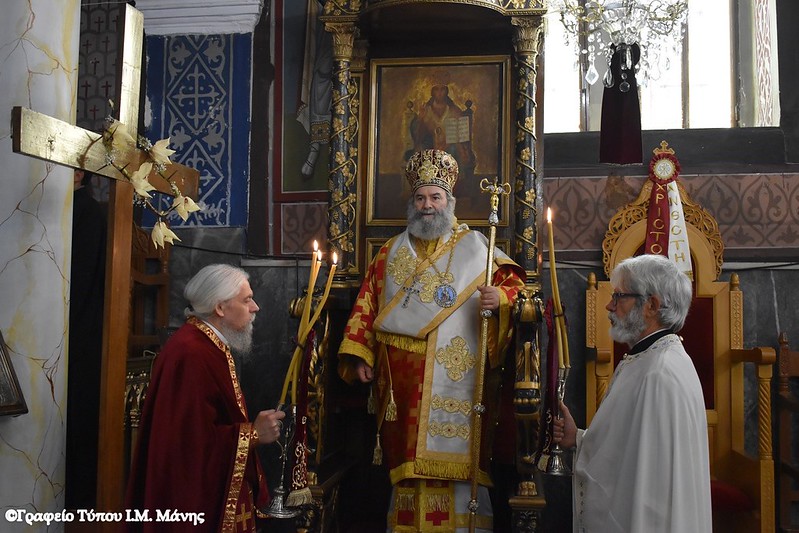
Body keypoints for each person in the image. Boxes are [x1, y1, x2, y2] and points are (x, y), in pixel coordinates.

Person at [338, 149, 526, 532]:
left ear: (449, 201)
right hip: (403, 385)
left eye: (435, 197)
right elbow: (367, 304)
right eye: (421, 197)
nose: (427, 205)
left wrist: (502, 299)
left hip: (460, 378)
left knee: (459, 468)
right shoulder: (390, 253)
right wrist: (361, 355)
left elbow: (517, 290)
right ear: (413, 202)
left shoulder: (477, 247)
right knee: (409, 468)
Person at [552, 254, 712, 533]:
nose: (609, 305)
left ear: (652, 305)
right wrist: (576, 438)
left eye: (619, 296)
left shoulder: (660, 372)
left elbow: (652, 481)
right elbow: (630, 447)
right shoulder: (646, 359)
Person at [125, 264, 286, 532]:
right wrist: (253, 434)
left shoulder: (204, 344)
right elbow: (188, 447)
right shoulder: (192, 353)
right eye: (247, 299)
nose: (255, 307)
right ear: (220, 307)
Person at [66, 168, 106, 509]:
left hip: (79, 328)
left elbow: (78, 280)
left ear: (79, 173)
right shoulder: (69, 208)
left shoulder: (88, 213)